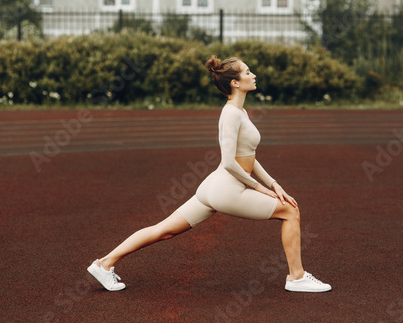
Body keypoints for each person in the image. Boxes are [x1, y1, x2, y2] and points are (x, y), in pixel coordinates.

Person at [87, 56, 331, 293]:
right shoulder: (231, 114)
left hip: (214, 187)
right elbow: (228, 162)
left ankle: (104, 264)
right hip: (226, 189)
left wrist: (274, 184)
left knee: (164, 230)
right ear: (235, 83)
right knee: (290, 211)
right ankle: (297, 278)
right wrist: (261, 189)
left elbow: (247, 157)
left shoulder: (240, 112)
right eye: (247, 72)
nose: (253, 75)